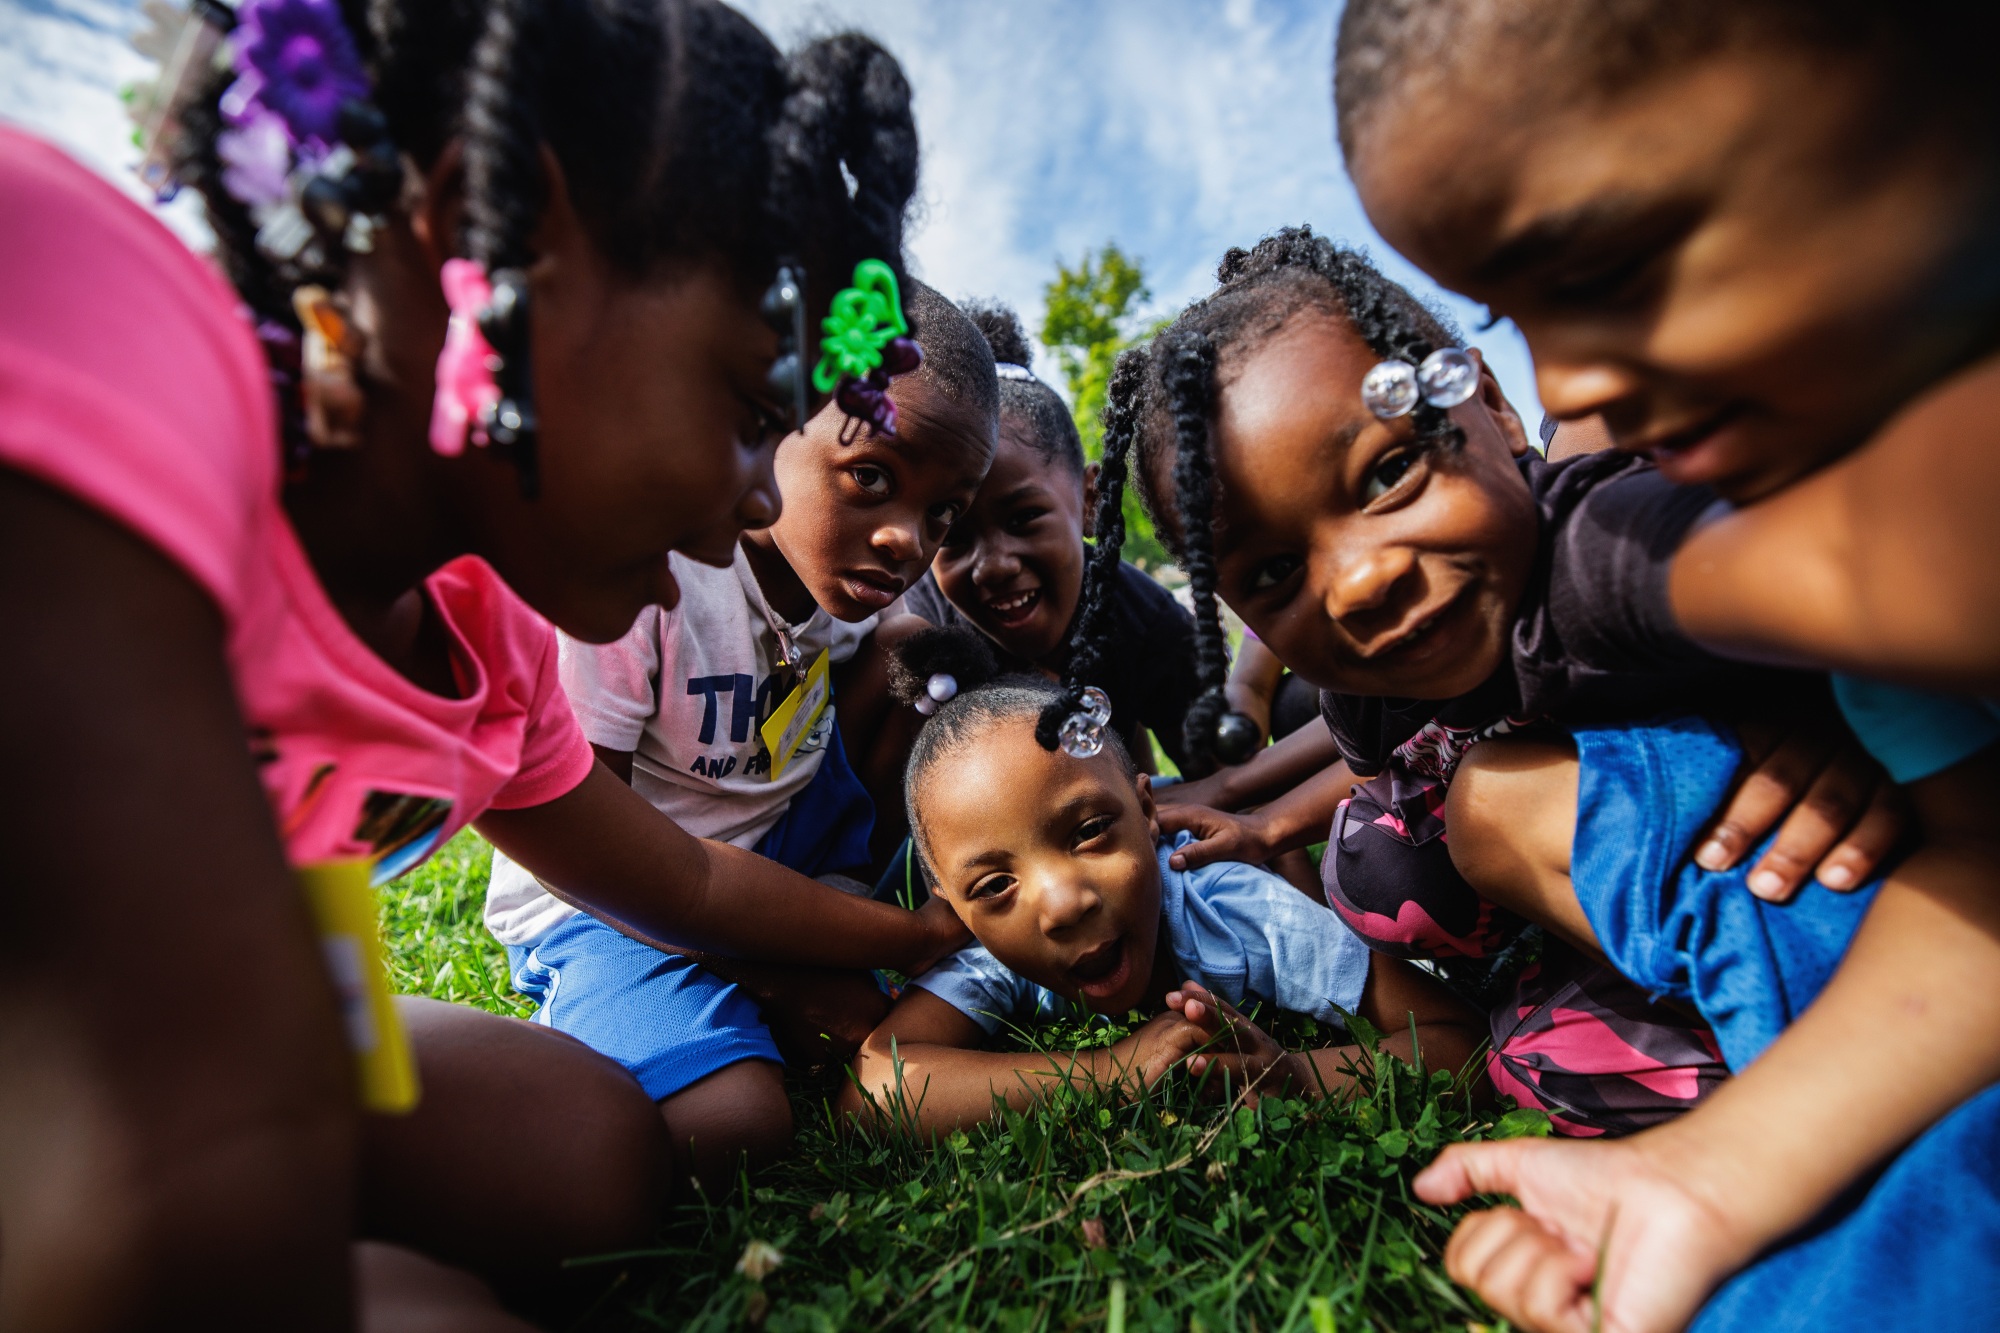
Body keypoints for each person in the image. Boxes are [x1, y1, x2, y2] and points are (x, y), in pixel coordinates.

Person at [0, 1, 965, 1324]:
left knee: (584, 1158)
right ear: (490, 235)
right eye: (749, 411)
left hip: (173, 1047)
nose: (756, 501)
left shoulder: (483, 635)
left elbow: (677, 874)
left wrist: (917, 930)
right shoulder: (97, 333)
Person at [1332, 4, 2000, 1329]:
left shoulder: (1703, 542)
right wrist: (1705, 1179)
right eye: (1512, 314)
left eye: (1612, 262)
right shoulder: (1816, 498)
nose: (1573, 375)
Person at [1101, 229, 1904, 1136]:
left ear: (1490, 403)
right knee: (1483, 994)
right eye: (1278, 569)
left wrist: (1849, 702)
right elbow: (1382, 771)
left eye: (1391, 472)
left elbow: (1875, 567)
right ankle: (1656, 987)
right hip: (1643, 854)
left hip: (1844, 860)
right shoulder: (1364, 680)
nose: (1359, 579)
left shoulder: (1610, 555)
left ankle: (1837, 1062)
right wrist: (1265, 824)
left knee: (1480, 808)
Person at [483, 280, 997, 1154]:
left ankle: (825, 907)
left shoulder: (846, 573)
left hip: (773, 842)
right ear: (771, 420)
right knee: (735, 1124)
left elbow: (893, 655)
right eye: (871, 476)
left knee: (917, 673)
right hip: (613, 897)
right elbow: (596, 862)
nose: (908, 539)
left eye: (942, 511)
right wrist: (799, 961)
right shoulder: (644, 578)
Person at [838, 630, 1485, 1135]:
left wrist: (1297, 1076)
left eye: (1089, 831)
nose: (1062, 903)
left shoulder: (1232, 908)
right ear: (951, 905)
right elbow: (874, 1090)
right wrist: (1108, 1071)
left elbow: (1461, 1040)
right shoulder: (993, 952)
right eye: (994, 884)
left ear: (1147, 813)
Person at [904, 303, 1205, 773]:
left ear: (1091, 500)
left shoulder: (1148, 624)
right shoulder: (916, 628)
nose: (994, 566)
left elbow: (1226, 784)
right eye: (953, 535)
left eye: (1024, 518)